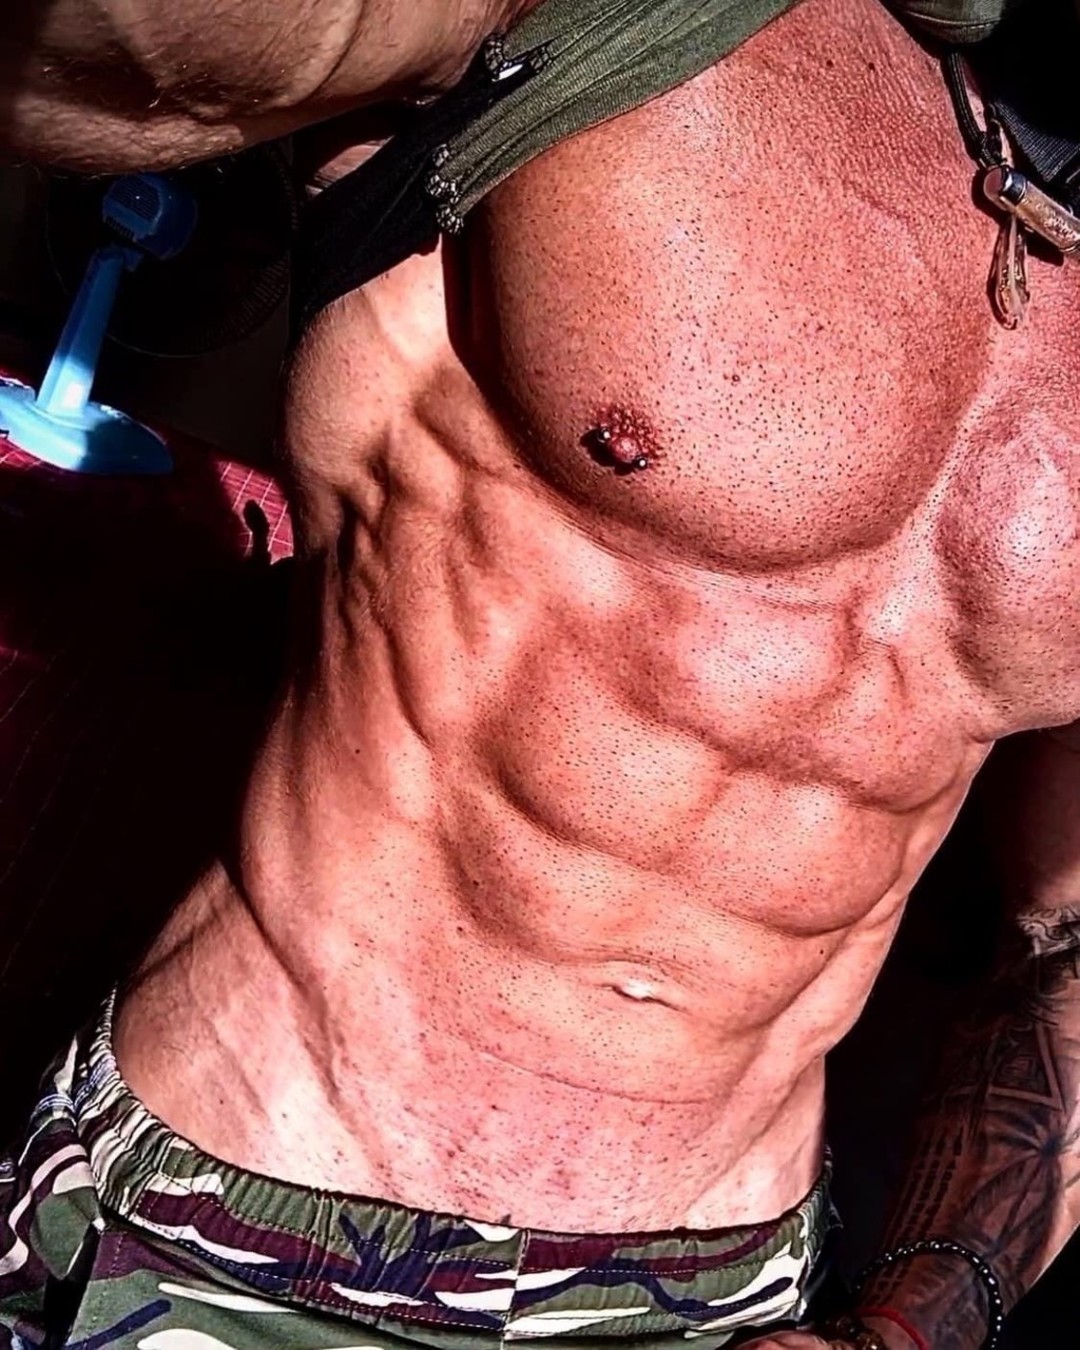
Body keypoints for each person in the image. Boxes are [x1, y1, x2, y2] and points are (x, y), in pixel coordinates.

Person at [2, 0, 1079, 1346]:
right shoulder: (604, 24)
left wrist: (915, 1325)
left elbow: (1066, 934)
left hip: (729, 1297)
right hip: (250, 1228)